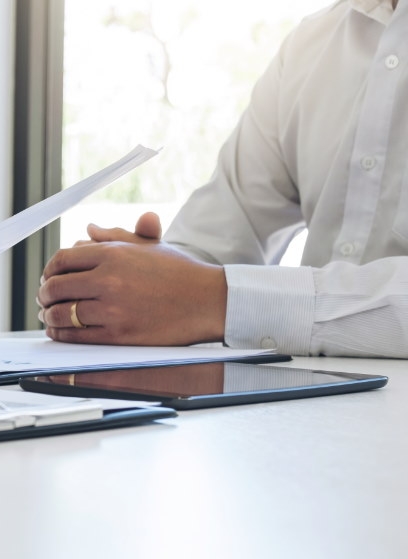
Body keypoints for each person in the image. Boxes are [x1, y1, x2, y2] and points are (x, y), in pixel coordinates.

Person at [38, 0, 408, 359]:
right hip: (306, 410)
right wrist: (129, 279)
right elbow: (221, 235)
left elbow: (203, 292)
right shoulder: (310, 47)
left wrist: (217, 299)